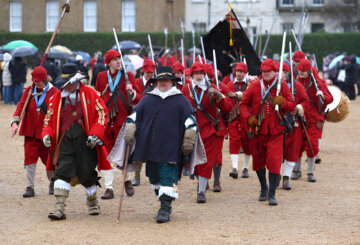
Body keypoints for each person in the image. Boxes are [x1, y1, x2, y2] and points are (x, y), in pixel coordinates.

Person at [122, 66, 198, 223]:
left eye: (166, 80)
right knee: (154, 177)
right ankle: (164, 200)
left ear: (172, 82)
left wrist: (190, 134)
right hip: (149, 147)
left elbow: (191, 119)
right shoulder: (148, 98)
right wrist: (130, 124)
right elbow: (136, 114)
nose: (163, 83)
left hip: (171, 146)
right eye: (160, 80)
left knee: (166, 175)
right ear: (156, 82)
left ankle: (165, 208)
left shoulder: (180, 100)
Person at [42, 72, 108, 220]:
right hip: (65, 141)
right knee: (62, 171)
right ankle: (59, 207)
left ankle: (92, 201)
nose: (69, 85)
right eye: (66, 83)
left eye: (71, 82)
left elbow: (102, 113)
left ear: (77, 81)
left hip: (86, 141)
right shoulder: (56, 98)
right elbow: (49, 120)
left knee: (87, 173)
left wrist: (95, 134)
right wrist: (47, 134)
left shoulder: (91, 93)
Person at [240, 59, 295, 205]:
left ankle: (272, 193)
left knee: (274, 162)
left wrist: (282, 102)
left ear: (275, 72)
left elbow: (291, 105)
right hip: (258, 129)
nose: (265, 74)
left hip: (276, 131)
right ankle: (263, 188)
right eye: (263, 72)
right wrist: (248, 118)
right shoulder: (254, 86)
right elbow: (244, 104)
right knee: (258, 162)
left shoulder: (282, 86)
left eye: (268, 72)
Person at [182, 62, 232, 203]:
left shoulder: (212, 88)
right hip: (190, 131)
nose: (198, 76)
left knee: (206, 161)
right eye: (195, 74)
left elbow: (227, 107)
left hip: (209, 130)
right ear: (191, 75)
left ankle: (201, 191)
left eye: (201, 73)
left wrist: (218, 95)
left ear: (204, 75)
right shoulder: (186, 89)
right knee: (196, 163)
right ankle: (201, 183)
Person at [95, 49, 139, 199]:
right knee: (106, 155)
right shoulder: (101, 76)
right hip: (107, 121)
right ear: (108, 62)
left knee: (123, 152)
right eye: (114, 59)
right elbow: (98, 97)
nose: (118, 61)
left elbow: (138, 98)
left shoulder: (129, 76)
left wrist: (131, 92)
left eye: (119, 58)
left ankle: (126, 180)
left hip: (123, 120)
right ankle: (109, 188)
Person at [10, 66, 58, 197]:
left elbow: (57, 112)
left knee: (49, 160)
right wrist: (15, 121)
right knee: (29, 160)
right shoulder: (29, 91)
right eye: (35, 82)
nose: (38, 84)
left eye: (40, 82)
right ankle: (29, 187)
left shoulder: (54, 91)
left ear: (45, 80)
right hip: (30, 132)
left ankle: (53, 182)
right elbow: (20, 106)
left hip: (47, 133)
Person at [291, 59, 333, 182]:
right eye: (300, 70)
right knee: (297, 146)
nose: (301, 73)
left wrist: (322, 96)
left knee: (312, 146)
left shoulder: (318, 83)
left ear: (309, 71)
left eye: (304, 71)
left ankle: (310, 171)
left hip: (314, 120)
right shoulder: (295, 82)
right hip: (299, 117)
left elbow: (329, 98)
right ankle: (297, 170)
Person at [278, 62, 309, 190]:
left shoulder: (297, 86)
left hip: (293, 124)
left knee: (292, 151)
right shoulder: (274, 87)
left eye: (281, 72)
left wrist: (298, 108)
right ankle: (276, 176)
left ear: (287, 74)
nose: (278, 75)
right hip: (277, 124)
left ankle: (286, 178)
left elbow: (305, 102)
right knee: (276, 152)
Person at [131, 58, 156, 186]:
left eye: (151, 73)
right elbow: (138, 102)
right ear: (143, 71)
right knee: (138, 147)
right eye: (147, 73)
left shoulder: (156, 84)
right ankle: (136, 176)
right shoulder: (136, 82)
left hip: (152, 118)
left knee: (153, 147)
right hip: (139, 118)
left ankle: (152, 175)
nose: (149, 75)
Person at [226, 62, 252, 179]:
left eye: (241, 71)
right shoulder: (230, 84)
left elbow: (252, 96)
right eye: (237, 71)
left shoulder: (251, 85)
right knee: (234, 142)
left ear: (245, 73)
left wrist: (239, 95)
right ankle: (235, 168)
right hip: (234, 118)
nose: (239, 74)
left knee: (248, 144)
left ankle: (245, 168)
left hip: (247, 118)